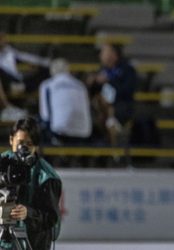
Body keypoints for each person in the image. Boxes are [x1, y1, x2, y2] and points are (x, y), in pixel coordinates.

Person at [0, 117, 61, 250]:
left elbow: (51, 219)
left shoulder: (46, 177)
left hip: (34, 244)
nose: (24, 148)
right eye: (20, 142)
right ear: (11, 140)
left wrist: (28, 213)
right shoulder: (2, 164)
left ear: (36, 146)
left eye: (29, 144)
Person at [86, 43, 136, 147]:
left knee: (112, 124)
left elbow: (127, 91)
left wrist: (109, 81)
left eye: (104, 52)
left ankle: (115, 150)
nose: (101, 55)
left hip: (120, 108)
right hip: (102, 110)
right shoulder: (102, 70)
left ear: (113, 54)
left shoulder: (127, 70)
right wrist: (93, 83)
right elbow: (93, 93)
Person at [39, 58, 92, 145]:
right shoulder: (81, 85)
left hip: (60, 133)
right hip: (84, 132)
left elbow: (45, 115)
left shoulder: (47, 85)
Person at [0, 32, 50, 121]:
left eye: (3, 38)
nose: (3, 41)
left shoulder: (9, 51)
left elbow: (26, 57)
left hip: (17, 81)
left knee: (45, 70)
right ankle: (7, 107)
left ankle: (46, 110)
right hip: (6, 83)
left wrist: (44, 63)